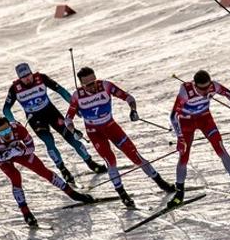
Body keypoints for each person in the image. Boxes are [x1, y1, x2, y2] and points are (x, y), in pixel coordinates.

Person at [64, 67, 175, 208]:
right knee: (110, 161)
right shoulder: (77, 96)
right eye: (88, 85)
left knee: (134, 155)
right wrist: (74, 131)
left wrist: (133, 110)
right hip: (95, 133)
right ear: (81, 85)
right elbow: (68, 119)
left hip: (111, 127)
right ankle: (123, 195)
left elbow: (128, 97)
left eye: (94, 81)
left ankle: (161, 183)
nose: (93, 86)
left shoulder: (105, 86)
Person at [3, 63, 107, 183]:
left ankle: (90, 162)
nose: (27, 78)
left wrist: (74, 106)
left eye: (28, 75)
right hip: (35, 119)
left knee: (71, 137)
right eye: (23, 77)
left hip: (51, 112)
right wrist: (13, 122)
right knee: (49, 143)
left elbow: (61, 90)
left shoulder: (41, 78)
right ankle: (63, 170)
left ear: (31, 73)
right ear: (19, 78)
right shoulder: (15, 89)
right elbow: (6, 109)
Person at [0, 117, 94, 226]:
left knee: (42, 170)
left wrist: (20, 152)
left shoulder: (18, 128)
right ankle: (26, 213)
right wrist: (2, 157)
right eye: (2, 133)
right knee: (15, 177)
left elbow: (31, 147)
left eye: (7, 130)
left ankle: (72, 193)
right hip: (3, 158)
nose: (6, 134)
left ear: (11, 127)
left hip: (20, 152)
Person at [168, 70, 230, 207]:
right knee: (184, 157)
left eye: (207, 88)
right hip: (186, 122)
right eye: (202, 89)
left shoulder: (212, 86)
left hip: (204, 119)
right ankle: (179, 194)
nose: (205, 91)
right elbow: (173, 116)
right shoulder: (185, 91)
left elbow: (227, 93)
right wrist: (180, 137)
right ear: (195, 85)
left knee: (220, 148)